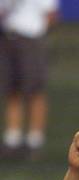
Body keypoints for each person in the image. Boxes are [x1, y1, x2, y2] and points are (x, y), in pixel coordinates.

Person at [0, 0, 59, 157]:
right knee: (12, 89)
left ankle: (35, 139)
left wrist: (39, 36)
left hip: (31, 38)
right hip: (8, 37)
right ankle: (12, 138)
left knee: (35, 90)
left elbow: (51, 14)